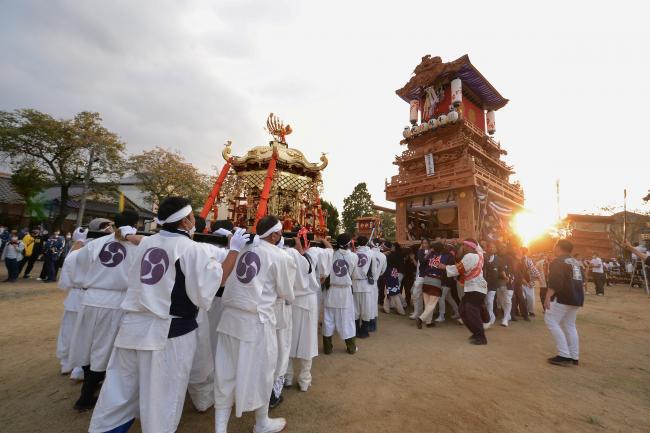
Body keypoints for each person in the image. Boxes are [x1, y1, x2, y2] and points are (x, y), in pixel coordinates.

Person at [89, 198, 239, 433]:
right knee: (162, 401)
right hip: (168, 334)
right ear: (185, 221)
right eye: (192, 217)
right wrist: (236, 250)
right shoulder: (190, 249)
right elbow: (215, 282)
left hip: (131, 326)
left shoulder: (147, 243)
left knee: (118, 394)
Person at [213, 215, 295, 433]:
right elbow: (287, 292)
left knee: (225, 374)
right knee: (263, 373)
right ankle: (262, 422)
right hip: (257, 323)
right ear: (276, 234)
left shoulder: (239, 248)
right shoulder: (280, 256)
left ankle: (220, 429)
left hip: (229, 319)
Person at [68, 214, 139, 411]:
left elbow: (74, 261)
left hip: (91, 299)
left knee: (86, 343)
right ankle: (87, 395)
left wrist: (79, 241)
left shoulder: (97, 243)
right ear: (136, 225)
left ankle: (87, 388)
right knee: (103, 349)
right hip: (117, 300)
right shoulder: (137, 245)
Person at [285, 235, 332, 392]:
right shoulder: (315, 252)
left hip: (291, 300)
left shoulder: (284, 252)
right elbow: (329, 255)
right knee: (308, 338)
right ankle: (304, 380)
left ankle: (287, 376)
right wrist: (323, 240)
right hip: (309, 300)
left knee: (288, 338)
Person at [436, 239, 489, 345]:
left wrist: (444, 267)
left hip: (475, 287)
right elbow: (477, 247)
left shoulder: (469, 256)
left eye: (465, 245)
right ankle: (477, 330)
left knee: (471, 311)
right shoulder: (479, 254)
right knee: (463, 310)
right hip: (476, 288)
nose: (463, 247)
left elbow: (458, 269)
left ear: (469, 247)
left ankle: (481, 336)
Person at [544, 239, 584, 366]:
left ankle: (564, 354)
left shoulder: (558, 261)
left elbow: (556, 281)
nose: (553, 248)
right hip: (576, 297)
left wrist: (548, 296)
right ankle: (574, 355)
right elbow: (581, 280)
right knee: (570, 325)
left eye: (555, 246)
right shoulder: (576, 262)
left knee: (550, 320)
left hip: (563, 297)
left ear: (559, 247)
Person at [55, 227, 87, 378]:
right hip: (90, 296)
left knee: (68, 331)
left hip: (74, 296)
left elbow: (64, 283)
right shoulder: (95, 253)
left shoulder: (72, 255)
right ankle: (79, 367)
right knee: (85, 334)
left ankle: (66, 362)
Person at [323, 232, 359, 355]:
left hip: (332, 291)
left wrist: (323, 240)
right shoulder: (354, 257)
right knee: (347, 321)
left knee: (328, 320)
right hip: (345, 293)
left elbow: (329, 249)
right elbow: (354, 275)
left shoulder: (332, 254)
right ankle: (351, 348)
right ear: (350, 243)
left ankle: (328, 348)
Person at [352, 236, 379, 338]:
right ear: (367, 243)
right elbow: (374, 270)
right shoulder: (371, 253)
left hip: (354, 284)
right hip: (366, 285)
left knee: (355, 308)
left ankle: (355, 330)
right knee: (366, 308)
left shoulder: (354, 253)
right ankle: (364, 331)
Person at [415, 242, 445, 329]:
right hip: (436, 281)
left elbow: (423, 261)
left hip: (426, 280)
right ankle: (420, 319)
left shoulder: (430, 256)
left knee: (427, 303)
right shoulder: (443, 257)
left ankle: (428, 322)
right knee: (432, 304)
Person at [436, 243, 460, 322]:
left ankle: (441, 316)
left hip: (447, 280)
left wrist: (443, 266)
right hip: (444, 279)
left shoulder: (450, 257)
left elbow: (450, 268)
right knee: (449, 298)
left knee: (441, 297)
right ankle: (457, 313)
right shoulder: (443, 255)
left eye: (446, 247)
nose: (445, 247)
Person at [409, 239, 430, 320]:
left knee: (425, 296)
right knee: (415, 294)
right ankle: (417, 312)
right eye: (423, 243)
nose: (425, 244)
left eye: (426, 243)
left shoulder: (432, 252)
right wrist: (428, 253)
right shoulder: (420, 251)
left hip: (429, 276)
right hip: (421, 276)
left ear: (429, 244)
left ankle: (421, 312)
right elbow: (422, 261)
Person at [383, 244, 406, 316]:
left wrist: (385, 254)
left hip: (390, 274)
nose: (391, 247)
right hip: (394, 273)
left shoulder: (390, 255)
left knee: (392, 292)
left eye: (392, 246)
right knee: (394, 291)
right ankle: (388, 307)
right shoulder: (399, 255)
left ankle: (400, 310)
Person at [483, 242, 500, 328]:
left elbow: (500, 271)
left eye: (493, 247)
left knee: (489, 301)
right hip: (483, 283)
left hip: (493, 284)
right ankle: (491, 317)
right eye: (490, 247)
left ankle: (489, 320)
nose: (492, 249)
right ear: (487, 248)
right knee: (486, 302)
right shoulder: (483, 257)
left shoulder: (497, 258)